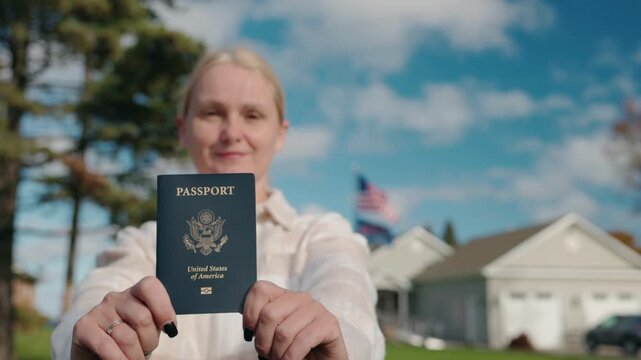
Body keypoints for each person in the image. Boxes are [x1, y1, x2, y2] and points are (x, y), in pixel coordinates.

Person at [51, 48, 385, 360]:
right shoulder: (143, 244)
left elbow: (350, 306)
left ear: (280, 134)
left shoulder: (320, 236)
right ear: (183, 130)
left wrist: (335, 341)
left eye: (253, 115)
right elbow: (83, 316)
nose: (232, 132)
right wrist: (87, 339)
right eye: (212, 113)